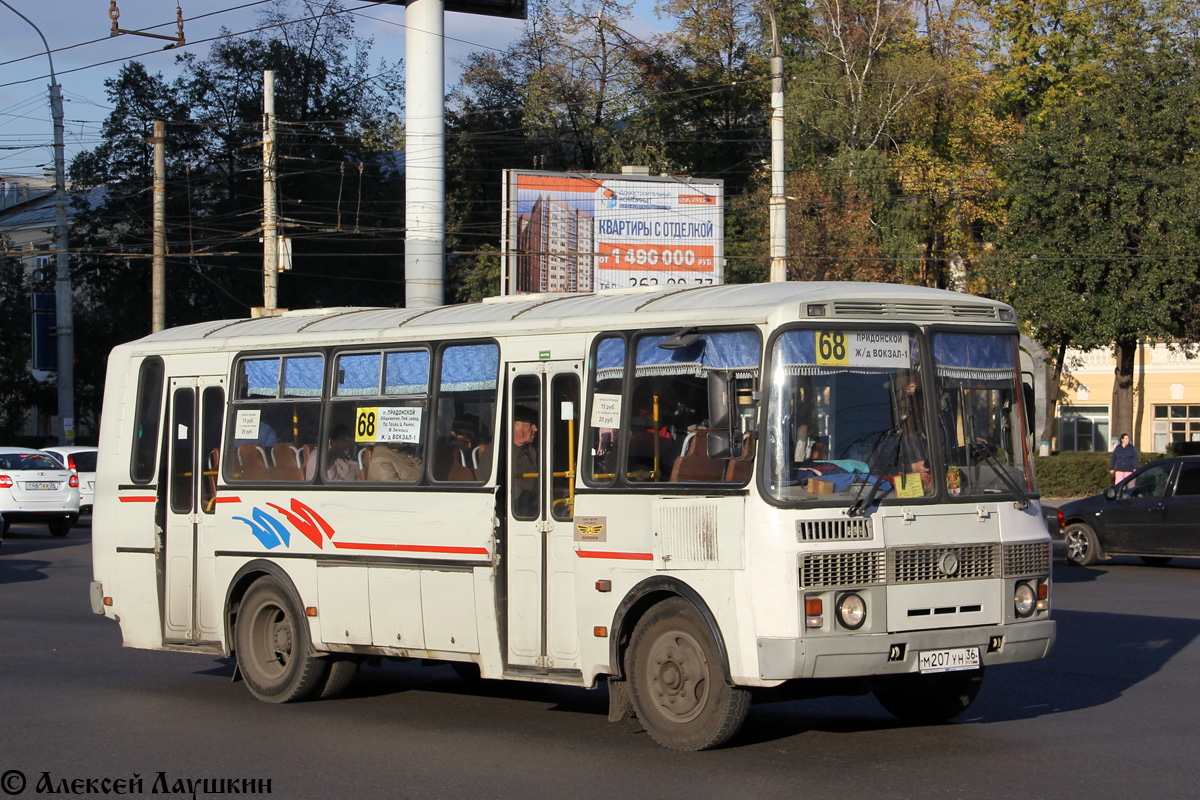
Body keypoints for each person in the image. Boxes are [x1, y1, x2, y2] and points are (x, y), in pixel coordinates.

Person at [511, 405, 539, 517]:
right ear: (514, 428)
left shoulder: (534, 451)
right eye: (530, 425)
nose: (535, 429)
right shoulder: (497, 453)